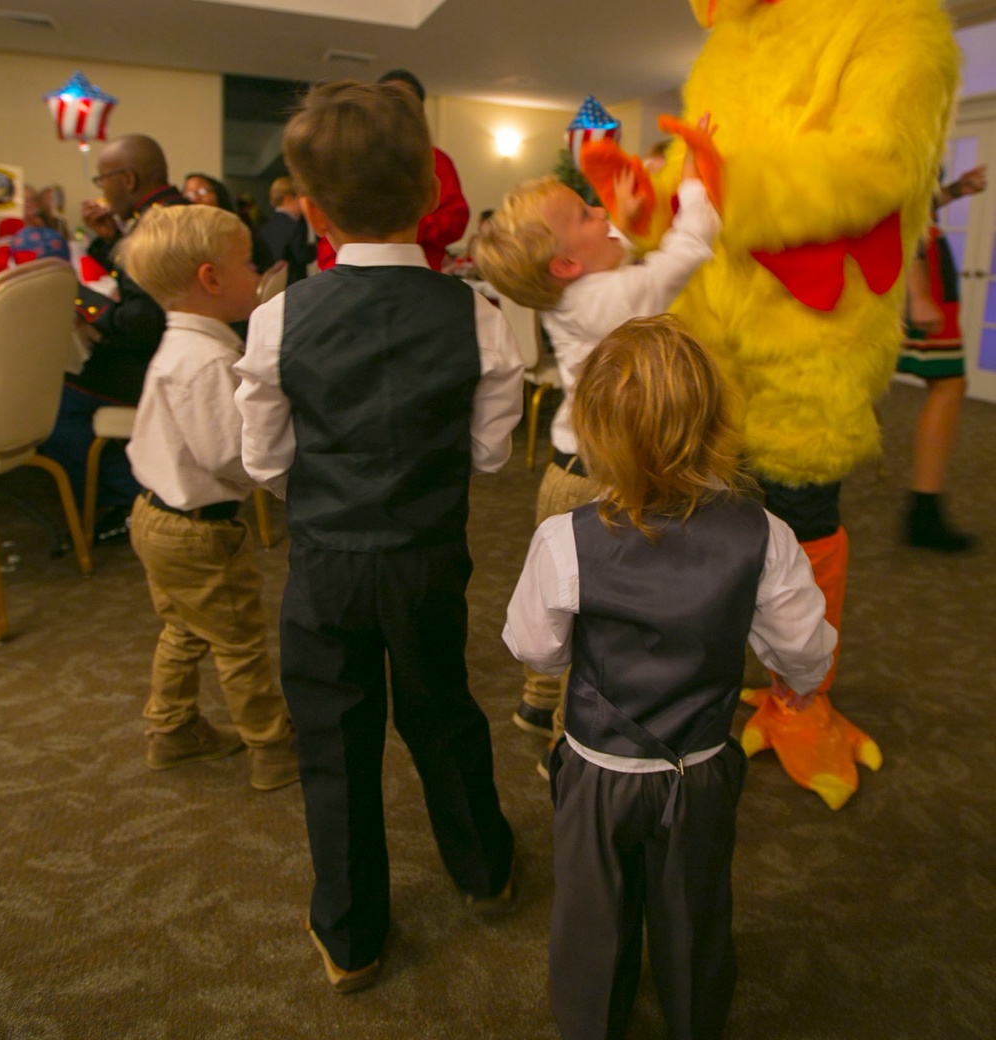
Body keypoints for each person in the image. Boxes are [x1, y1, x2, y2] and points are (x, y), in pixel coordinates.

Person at [235, 80, 522, 991]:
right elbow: (487, 454)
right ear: (429, 199)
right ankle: (483, 866)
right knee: (442, 707)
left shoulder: (280, 315)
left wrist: (330, 490)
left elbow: (264, 461)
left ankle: (352, 931)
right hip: (429, 553)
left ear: (311, 209)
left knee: (334, 737)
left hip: (324, 560)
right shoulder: (476, 314)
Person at [504, 315, 836, 1040]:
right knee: (695, 908)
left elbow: (534, 647)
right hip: (703, 767)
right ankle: (695, 1030)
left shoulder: (567, 537)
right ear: (719, 423)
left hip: (595, 769)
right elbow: (803, 651)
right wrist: (802, 684)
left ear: (593, 430)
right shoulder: (765, 533)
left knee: (592, 915)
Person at [474, 129, 720, 763]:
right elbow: (689, 247)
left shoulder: (578, 294)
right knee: (593, 623)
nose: (602, 212)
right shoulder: (610, 295)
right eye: (587, 214)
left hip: (564, 471)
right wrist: (695, 179)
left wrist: (634, 209)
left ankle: (535, 699)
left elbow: (626, 259)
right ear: (564, 265)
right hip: (602, 482)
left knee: (560, 597)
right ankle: (569, 746)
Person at [120, 205, 298, 790]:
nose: (259, 272)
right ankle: (272, 748)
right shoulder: (208, 360)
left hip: (155, 516)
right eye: (247, 262)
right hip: (199, 529)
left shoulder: (179, 348)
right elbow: (231, 454)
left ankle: (170, 729)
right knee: (238, 639)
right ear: (210, 279)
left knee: (185, 627)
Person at [39, 134, 186, 542]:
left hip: (159, 365)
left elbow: (138, 324)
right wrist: (109, 241)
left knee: (53, 404)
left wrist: (73, 291)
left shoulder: (153, 226)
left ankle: (123, 501)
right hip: (175, 352)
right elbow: (146, 286)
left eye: (103, 179)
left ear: (128, 179)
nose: (101, 189)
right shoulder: (170, 214)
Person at [898, 163, 987, 549]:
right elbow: (903, 207)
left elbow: (915, 201)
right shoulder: (905, 117)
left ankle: (926, 509)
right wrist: (917, 293)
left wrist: (951, 191)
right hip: (916, 261)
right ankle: (924, 511)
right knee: (948, 382)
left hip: (916, 255)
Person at [314, 68, 469, 272]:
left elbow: (455, 220)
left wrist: (409, 226)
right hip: (351, 274)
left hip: (418, 276)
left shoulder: (435, 160)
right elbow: (333, 218)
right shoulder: (351, 154)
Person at [183, 171, 271, 272]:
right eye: (189, 194)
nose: (195, 198)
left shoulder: (238, 229)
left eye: (202, 191)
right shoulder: (184, 236)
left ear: (218, 194)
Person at [257, 175, 314, 285]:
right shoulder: (294, 226)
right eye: (300, 198)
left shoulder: (264, 227)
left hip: (271, 286)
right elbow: (301, 255)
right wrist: (315, 248)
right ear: (288, 199)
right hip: (293, 284)